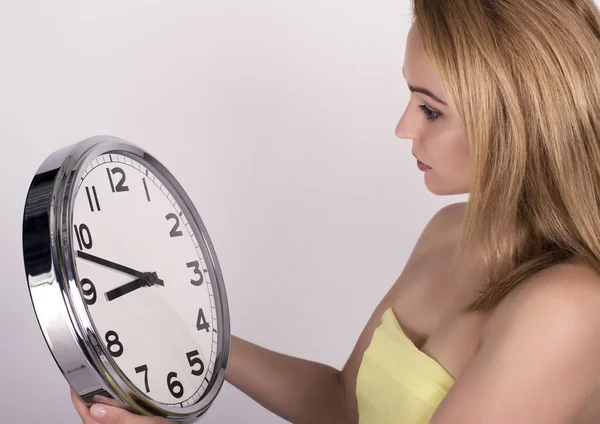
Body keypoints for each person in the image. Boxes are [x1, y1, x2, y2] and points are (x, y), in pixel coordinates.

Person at [72, 0, 600, 422]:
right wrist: (198, 339)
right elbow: (343, 404)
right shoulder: (449, 232)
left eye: (431, 110)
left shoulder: (571, 310)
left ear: (520, 126)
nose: (403, 128)